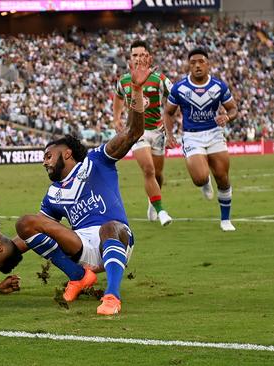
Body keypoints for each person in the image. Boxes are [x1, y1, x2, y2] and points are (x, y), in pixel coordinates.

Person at [14, 54, 153, 316]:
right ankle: (79, 276)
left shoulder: (98, 160)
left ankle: (112, 295)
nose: (44, 163)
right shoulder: (53, 194)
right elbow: (31, 235)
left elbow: (134, 132)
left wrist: (135, 90)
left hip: (116, 238)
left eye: (48, 156)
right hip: (82, 246)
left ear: (66, 154)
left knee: (109, 227)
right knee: (25, 223)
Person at [164, 48, 239, 232]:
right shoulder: (179, 88)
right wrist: (170, 134)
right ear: (189, 65)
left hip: (214, 134)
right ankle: (204, 182)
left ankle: (225, 220)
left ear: (208, 64)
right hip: (192, 136)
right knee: (199, 178)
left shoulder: (219, 86)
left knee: (222, 177)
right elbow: (168, 112)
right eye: (193, 62)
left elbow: (233, 109)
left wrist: (227, 117)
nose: (197, 65)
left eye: (201, 61)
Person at [113, 40, 173, 226]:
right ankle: (162, 211)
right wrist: (117, 118)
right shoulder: (124, 80)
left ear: (148, 56)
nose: (138, 58)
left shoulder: (159, 79)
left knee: (158, 174)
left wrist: (168, 120)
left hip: (157, 131)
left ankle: (152, 201)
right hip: (137, 131)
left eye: (141, 55)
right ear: (130, 58)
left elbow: (175, 97)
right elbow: (118, 97)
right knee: (148, 169)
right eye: (134, 55)